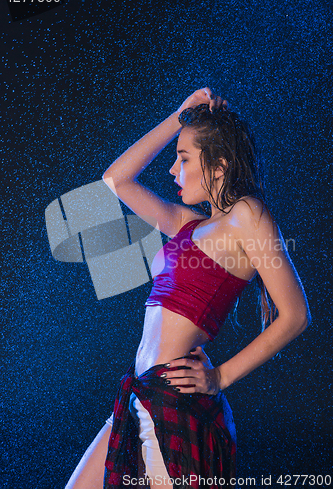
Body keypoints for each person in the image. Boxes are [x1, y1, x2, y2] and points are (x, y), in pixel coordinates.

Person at [65, 88, 310, 489]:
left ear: (219, 165)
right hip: (136, 394)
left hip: (175, 402)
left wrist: (221, 378)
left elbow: (296, 315)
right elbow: (116, 179)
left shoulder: (247, 215)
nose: (173, 171)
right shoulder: (186, 224)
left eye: (183, 159)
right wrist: (179, 116)